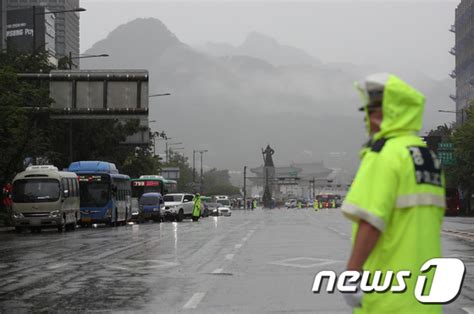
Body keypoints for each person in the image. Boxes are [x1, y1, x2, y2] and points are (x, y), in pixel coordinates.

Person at [341, 73, 445, 313]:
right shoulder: (428, 157)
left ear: (392, 111)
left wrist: (352, 273)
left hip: (388, 297)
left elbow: (370, 221)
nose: (369, 117)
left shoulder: (383, 154)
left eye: (374, 110)